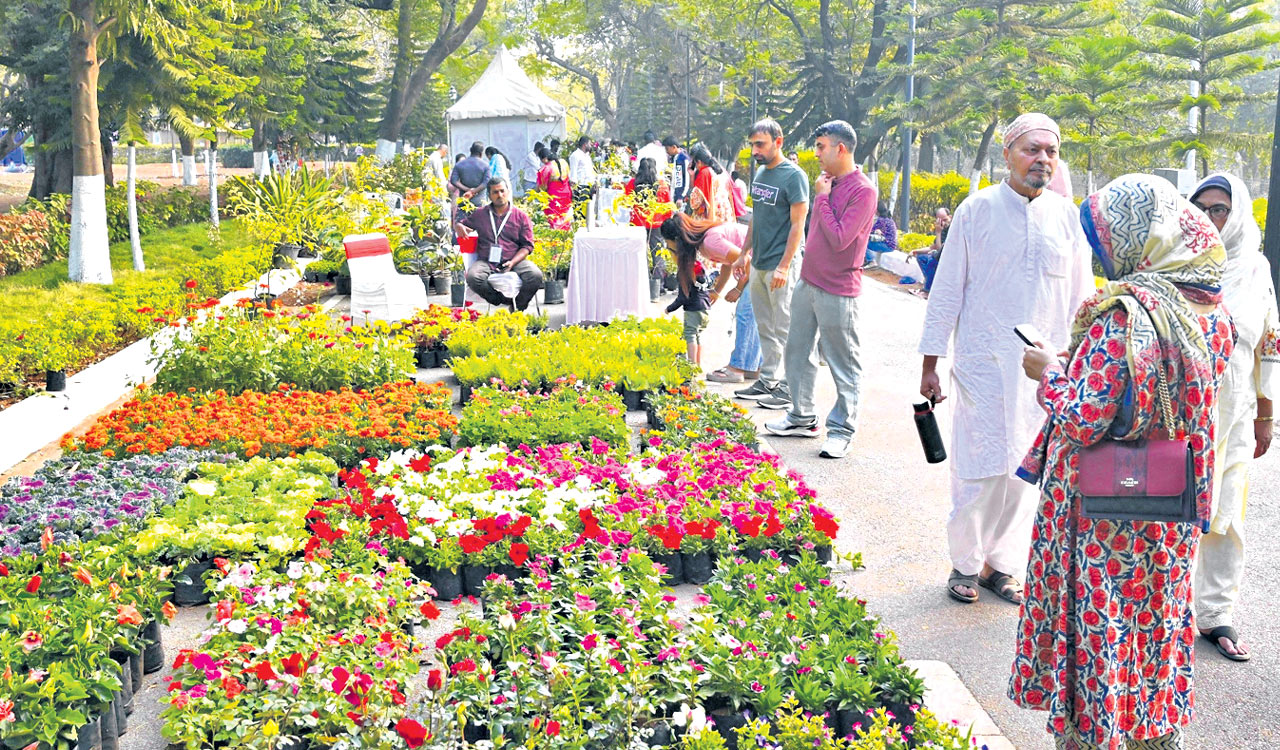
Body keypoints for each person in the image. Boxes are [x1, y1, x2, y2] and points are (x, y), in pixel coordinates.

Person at [1011, 174, 1235, 750]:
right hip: (1169, 503)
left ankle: (1095, 735)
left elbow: (1086, 417)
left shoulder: (1126, 316)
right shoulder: (1212, 312)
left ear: (1140, 240)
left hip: (1105, 511)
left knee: (1101, 620)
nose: (1103, 253)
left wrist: (1050, 373)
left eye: (1108, 240)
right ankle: (1152, 733)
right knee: (1153, 622)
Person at [917, 112, 1093, 605]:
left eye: (1050, 152)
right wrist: (930, 364)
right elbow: (946, 290)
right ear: (1007, 155)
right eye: (1031, 149)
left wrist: (1081, 359)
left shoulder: (1067, 216)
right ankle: (965, 564)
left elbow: (1083, 297)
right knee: (978, 467)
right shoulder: (977, 210)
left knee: (1025, 472)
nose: (1041, 159)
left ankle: (1003, 565)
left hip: (1046, 371)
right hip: (983, 363)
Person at [1190, 173, 1278, 662]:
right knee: (1177, 510)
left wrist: (1266, 412)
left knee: (1228, 517)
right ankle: (1166, 607)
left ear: (1238, 212)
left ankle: (1216, 613)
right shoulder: (1176, 258)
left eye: (1218, 208)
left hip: (1237, 408)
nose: (1208, 217)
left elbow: (1270, 339)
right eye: (1199, 207)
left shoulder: (1256, 267)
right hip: (1180, 410)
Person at [763, 121, 876, 459]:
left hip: (839, 290)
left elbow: (841, 239)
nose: (817, 154)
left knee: (845, 363)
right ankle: (801, 415)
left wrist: (822, 200)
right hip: (808, 283)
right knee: (796, 352)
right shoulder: (829, 182)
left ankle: (842, 430)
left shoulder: (863, 190)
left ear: (841, 149)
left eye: (822, 147)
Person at [731, 118, 809, 410]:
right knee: (765, 325)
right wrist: (743, 253)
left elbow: (797, 225)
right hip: (759, 262)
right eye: (752, 144)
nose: (755, 150)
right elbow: (756, 218)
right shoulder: (761, 173)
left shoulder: (794, 176)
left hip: (781, 263)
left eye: (760, 144)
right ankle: (769, 379)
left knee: (785, 326)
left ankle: (790, 387)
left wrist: (785, 265)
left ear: (779, 141)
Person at [455, 178, 544, 311]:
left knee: (535, 275)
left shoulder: (520, 216)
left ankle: (517, 307)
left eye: (502, 191)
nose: (500, 195)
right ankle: (500, 300)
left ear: (508, 192)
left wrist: (512, 262)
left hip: (514, 260)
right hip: (486, 261)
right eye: (495, 192)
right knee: (473, 277)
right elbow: (462, 225)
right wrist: (458, 226)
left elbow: (527, 246)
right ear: (489, 195)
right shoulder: (480, 214)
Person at [659, 216, 714, 366]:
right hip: (705, 308)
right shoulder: (697, 265)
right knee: (697, 335)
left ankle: (690, 364)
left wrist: (669, 308)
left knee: (689, 334)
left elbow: (683, 297)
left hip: (693, 309)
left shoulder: (684, 270)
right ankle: (697, 364)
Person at [625, 157, 674, 259]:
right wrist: (665, 220)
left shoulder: (632, 183)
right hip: (656, 223)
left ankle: (640, 274)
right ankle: (658, 275)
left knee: (638, 253)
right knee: (658, 253)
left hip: (637, 222)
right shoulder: (662, 185)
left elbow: (626, 203)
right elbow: (668, 207)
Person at [687, 144, 735, 224]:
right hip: (725, 215)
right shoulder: (721, 170)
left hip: (710, 217)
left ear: (698, 161)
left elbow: (695, 203)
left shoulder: (704, 173)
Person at [535, 146, 573, 231]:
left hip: (554, 197)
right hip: (566, 195)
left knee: (554, 219)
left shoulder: (545, 169)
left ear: (544, 159)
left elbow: (542, 188)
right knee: (565, 218)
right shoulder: (564, 162)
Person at [450, 141, 491, 210]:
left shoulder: (459, 165)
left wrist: (467, 190)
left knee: (463, 220)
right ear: (481, 153)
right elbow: (486, 182)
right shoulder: (485, 166)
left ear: (470, 150)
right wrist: (474, 191)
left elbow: (453, 180)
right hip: (480, 203)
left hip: (464, 202)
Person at [864, 200, 897, 268]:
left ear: (877, 210)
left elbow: (870, 230)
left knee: (863, 243)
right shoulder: (889, 219)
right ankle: (867, 260)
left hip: (887, 246)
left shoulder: (881, 220)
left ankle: (871, 261)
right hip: (891, 245)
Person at [569, 136, 597, 202]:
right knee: (580, 208)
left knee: (587, 208)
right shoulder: (575, 155)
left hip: (588, 185)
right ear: (585, 145)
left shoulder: (587, 156)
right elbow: (573, 171)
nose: (591, 146)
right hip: (580, 186)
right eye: (589, 144)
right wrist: (574, 188)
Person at [664, 136, 690, 205]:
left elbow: (686, 179)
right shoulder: (675, 158)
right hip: (674, 195)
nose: (667, 151)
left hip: (681, 199)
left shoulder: (683, 159)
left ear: (674, 147)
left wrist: (681, 197)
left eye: (667, 149)